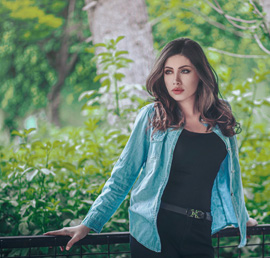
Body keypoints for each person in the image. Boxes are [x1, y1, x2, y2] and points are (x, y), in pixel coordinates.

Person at [44, 38, 258, 257]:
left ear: (200, 74)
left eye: (184, 71)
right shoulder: (152, 117)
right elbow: (122, 176)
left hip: (200, 231)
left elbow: (231, 179)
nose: (175, 80)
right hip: (154, 231)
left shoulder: (221, 119)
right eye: (168, 72)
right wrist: (88, 224)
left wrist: (242, 217)